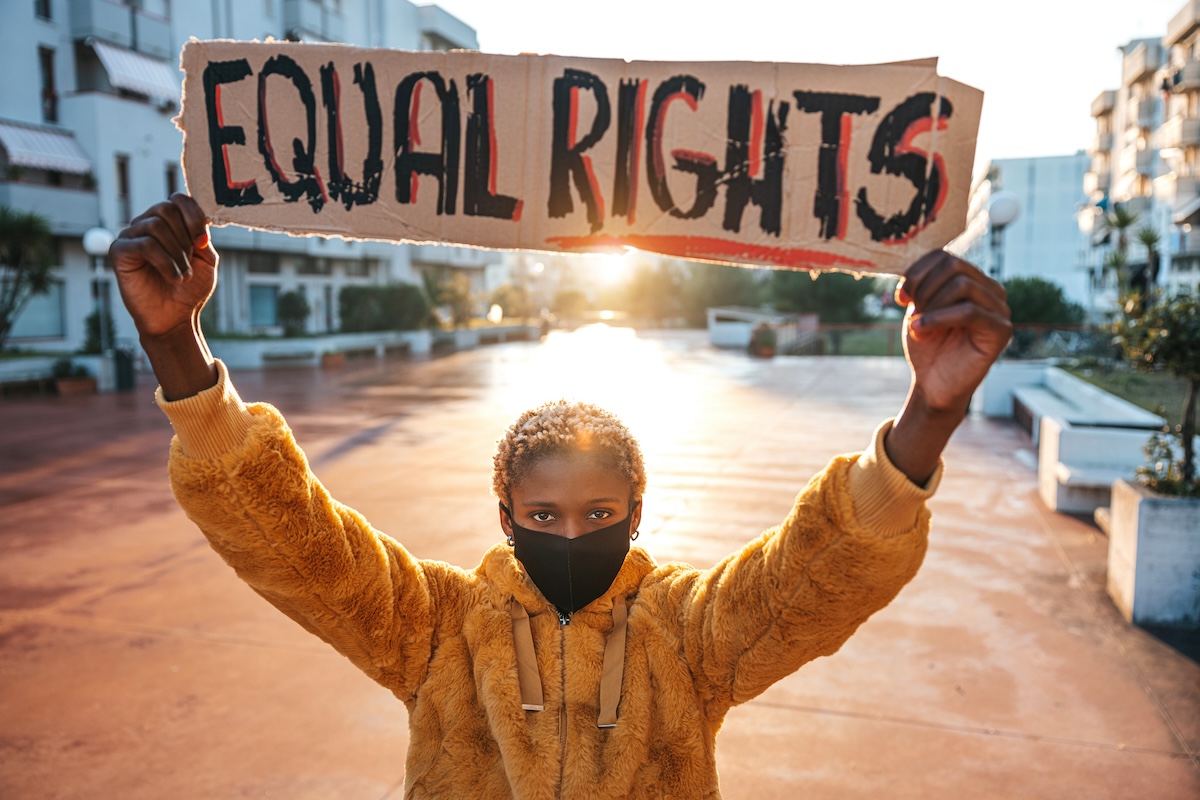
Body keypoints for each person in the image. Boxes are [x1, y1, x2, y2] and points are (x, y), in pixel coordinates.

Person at [111, 195, 1012, 799]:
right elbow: (296, 540)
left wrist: (930, 413)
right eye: (543, 518)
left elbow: (811, 575)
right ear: (505, 517)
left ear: (636, 516)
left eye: (598, 517)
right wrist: (177, 348)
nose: (571, 536)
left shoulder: (689, 632)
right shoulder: (431, 627)